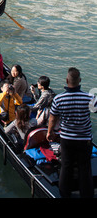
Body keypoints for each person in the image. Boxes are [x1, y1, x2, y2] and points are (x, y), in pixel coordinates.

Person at [47, 67, 97, 198]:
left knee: (66, 167)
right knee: (84, 169)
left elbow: (53, 118)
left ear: (66, 80)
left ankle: (64, 194)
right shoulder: (90, 98)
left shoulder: (58, 99)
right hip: (84, 140)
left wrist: (50, 132)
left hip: (67, 140)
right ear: (79, 80)